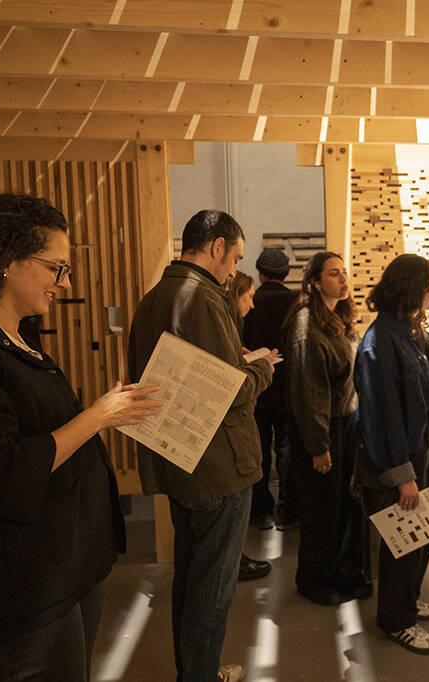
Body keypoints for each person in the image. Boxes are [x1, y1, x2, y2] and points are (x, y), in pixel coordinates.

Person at [0, 192, 161, 681]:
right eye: (56, 268)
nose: (66, 283)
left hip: (62, 564)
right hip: (16, 587)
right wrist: (96, 417)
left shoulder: (19, 335)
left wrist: (105, 414)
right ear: (5, 260)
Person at [128, 209, 277, 682]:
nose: (234, 270)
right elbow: (228, 389)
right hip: (218, 464)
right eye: (235, 257)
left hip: (179, 457)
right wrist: (262, 369)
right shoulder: (205, 299)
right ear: (216, 247)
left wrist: (238, 365)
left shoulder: (155, 297)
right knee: (213, 590)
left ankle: (197, 672)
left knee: (191, 579)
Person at [354, 253, 429, 655]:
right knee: (404, 543)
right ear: (413, 288)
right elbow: (382, 415)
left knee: (422, 537)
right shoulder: (379, 342)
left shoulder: (412, 332)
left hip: (422, 454)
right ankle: (397, 621)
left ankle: (407, 602)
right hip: (399, 463)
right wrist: (403, 475)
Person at [285, 251, 371, 606]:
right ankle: (316, 581)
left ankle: (342, 573)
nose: (343, 279)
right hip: (322, 428)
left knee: (346, 505)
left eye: (344, 272)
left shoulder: (340, 318)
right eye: (334, 273)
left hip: (346, 423)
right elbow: (310, 393)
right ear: (316, 282)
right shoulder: (307, 325)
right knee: (322, 509)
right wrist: (319, 447)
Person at [243, 247, 300, 531]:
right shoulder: (297, 302)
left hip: (257, 388)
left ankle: (260, 512)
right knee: (288, 453)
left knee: (259, 452)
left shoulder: (251, 300)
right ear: (286, 273)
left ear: (260, 272)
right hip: (289, 388)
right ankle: (287, 513)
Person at [226, 269, 273, 584]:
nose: (252, 305)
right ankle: (234, 563)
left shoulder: (229, 325)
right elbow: (232, 385)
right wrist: (262, 368)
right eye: (249, 297)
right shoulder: (224, 323)